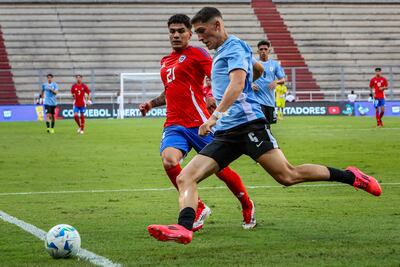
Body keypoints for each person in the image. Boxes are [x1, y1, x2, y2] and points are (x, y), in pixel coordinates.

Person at [147, 7, 382, 245]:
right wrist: (246, 87)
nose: (200, 38)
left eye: (202, 31)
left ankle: (351, 176)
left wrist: (214, 117)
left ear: (217, 25)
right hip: (228, 132)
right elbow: (256, 70)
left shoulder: (235, 46)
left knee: (288, 176)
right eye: (197, 33)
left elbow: (237, 84)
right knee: (186, 177)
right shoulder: (223, 51)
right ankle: (184, 227)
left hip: (249, 126)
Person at [139, 14, 258, 232]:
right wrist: (151, 103)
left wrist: (209, 95)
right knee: (169, 160)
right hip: (174, 124)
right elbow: (170, 91)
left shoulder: (198, 54)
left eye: (181, 31)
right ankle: (199, 206)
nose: (176, 35)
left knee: (222, 170)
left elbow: (218, 76)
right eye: (172, 31)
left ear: (189, 34)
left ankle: (246, 204)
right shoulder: (166, 62)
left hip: (200, 123)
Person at [252, 40, 285, 127]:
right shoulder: (254, 64)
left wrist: (276, 81)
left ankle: (267, 140)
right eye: (261, 49)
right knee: (261, 125)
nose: (263, 51)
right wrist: (250, 84)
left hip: (270, 102)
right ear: (258, 51)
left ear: (269, 51)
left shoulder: (274, 64)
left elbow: (283, 80)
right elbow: (245, 78)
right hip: (257, 101)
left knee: (268, 126)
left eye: (265, 49)